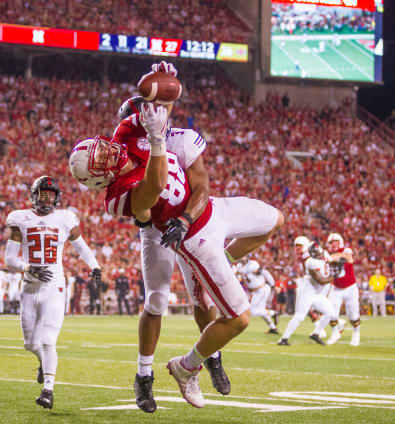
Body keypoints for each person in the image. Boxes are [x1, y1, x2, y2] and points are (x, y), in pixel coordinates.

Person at [69, 101, 283, 409]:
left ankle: (210, 354)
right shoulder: (119, 189)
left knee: (273, 221)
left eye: (102, 148)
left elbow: (200, 184)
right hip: (159, 229)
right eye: (100, 157)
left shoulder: (163, 137)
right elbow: (153, 186)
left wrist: (166, 84)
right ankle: (145, 375)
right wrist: (155, 139)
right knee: (157, 300)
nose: (109, 151)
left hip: (199, 215)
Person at [4, 175, 102, 410]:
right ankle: (42, 362)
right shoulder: (21, 218)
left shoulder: (65, 218)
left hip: (54, 286)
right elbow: (9, 258)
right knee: (30, 343)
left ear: (57, 197)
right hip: (28, 285)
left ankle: (48, 389)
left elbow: (81, 246)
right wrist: (27, 267)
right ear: (34, 195)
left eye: (51, 194)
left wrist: (95, 266)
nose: (47, 198)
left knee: (48, 341)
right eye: (43, 193)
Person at [278, 240, 343, 345]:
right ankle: (283, 339)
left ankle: (316, 333)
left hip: (317, 294)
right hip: (306, 292)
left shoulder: (324, 254)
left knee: (331, 313)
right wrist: (334, 276)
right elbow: (321, 281)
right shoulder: (310, 262)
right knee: (300, 316)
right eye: (318, 253)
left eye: (320, 252)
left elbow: (330, 262)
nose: (320, 254)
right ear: (313, 254)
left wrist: (339, 263)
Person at [323, 232, 361, 346]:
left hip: (350, 287)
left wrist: (328, 258)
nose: (333, 244)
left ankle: (356, 334)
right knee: (330, 312)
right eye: (331, 242)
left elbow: (347, 258)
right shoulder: (327, 254)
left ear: (340, 242)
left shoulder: (346, 251)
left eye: (335, 242)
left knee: (353, 314)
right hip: (336, 287)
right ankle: (335, 333)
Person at [239, 259, 278, 333]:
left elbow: (265, 272)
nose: (242, 258)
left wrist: (273, 285)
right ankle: (273, 328)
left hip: (261, 290)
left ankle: (274, 313)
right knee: (262, 310)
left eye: (244, 256)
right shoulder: (239, 266)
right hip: (255, 292)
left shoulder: (252, 264)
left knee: (252, 311)